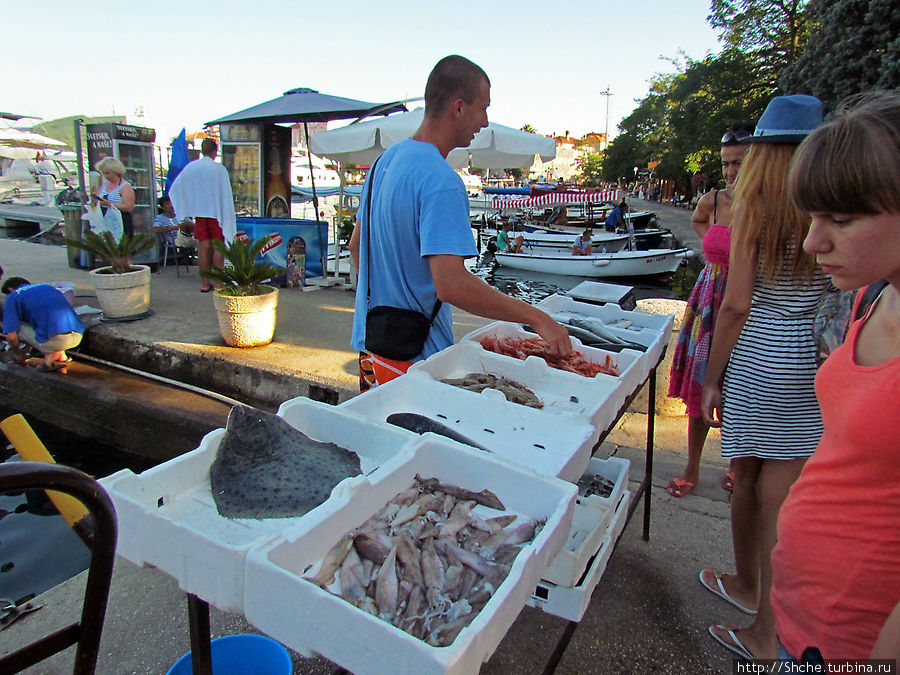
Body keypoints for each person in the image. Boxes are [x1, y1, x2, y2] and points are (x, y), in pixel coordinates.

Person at [769, 91, 900, 663]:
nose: (812, 242)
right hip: (801, 622)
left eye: (841, 221)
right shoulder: (873, 297)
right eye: (813, 217)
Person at [349, 55, 571, 390]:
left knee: (382, 440)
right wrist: (536, 317)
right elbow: (451, 285)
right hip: (417, 363)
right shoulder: (441, 180)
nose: (484, 121)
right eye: (483, 107)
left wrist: (394, 293)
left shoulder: (384, 162)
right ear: (458, 107)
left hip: (373, 351)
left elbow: (356, 248)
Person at [698, 94, 827, 660]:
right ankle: (753, 592)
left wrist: (710, 377)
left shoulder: (754, 206)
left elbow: (736, 304)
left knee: (751, 482)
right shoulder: (826, 203)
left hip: (759, 352)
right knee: (780, 492)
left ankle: (764, 627)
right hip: (809, 357)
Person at [665, 123, 753, 498]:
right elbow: (700, 222)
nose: (731, 171)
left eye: (739, 163)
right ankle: (692, 466)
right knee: (702, 383)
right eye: (726, 164)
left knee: (743, 386)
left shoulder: (766, 204)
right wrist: (713, 243)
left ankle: (737, 465)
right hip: (711, 297)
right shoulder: (714, 201)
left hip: (750, 298)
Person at [170, 138, 236, 293]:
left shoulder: (191, 168)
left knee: (203, 246)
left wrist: (186, 206)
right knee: (218, 245)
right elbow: (226, 193)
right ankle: (219, 283)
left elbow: (176, 188)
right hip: (215, 212)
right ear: (215, 151)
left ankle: (205, 283)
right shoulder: (218, 169)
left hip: (199, 213)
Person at [2, 277, 84, 373]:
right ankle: (61, 354)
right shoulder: (47, 287)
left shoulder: (12, 297)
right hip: (78, 335)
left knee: (16, 326)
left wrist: (17, 354)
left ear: (10, 290)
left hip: (57, 341)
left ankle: (49, 356)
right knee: (47, 319)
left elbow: (11, 337)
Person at [93, 157, 135, 238]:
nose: (105, 176)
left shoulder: (125, 186)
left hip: (121, 220)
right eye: (103, 173)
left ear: (116, 172)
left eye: (108, 173)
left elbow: (129, 207)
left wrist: (109, 204)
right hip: (104, 220)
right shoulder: (105, 184)